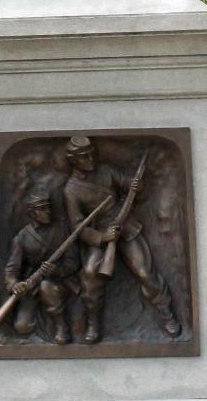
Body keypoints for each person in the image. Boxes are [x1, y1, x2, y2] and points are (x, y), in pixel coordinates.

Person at [62, 135, 180, 344]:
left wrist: (135, 186)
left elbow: (129, 185)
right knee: (90, 274)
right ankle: (93, 324)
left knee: (145, 272)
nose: (90, 158)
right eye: (84, 156)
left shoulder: (106, 171)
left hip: (126, 227)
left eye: (91, 153)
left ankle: (167, 315)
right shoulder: (71, 190)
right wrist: (102, 237)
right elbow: (77, 227)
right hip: (99, 234)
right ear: (73, 159)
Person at [2, 187, 81, 346]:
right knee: (22, 327)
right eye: (42, 209)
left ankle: (61, 327)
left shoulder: (62, 229)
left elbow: (74, 261)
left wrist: (57, 270)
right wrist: (14, 284)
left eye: (48, 207)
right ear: (32, 213)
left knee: (47, 286)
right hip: (32, 286)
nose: (48, 212)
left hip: (60, 282)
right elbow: (12, 269)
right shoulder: (22, 238)